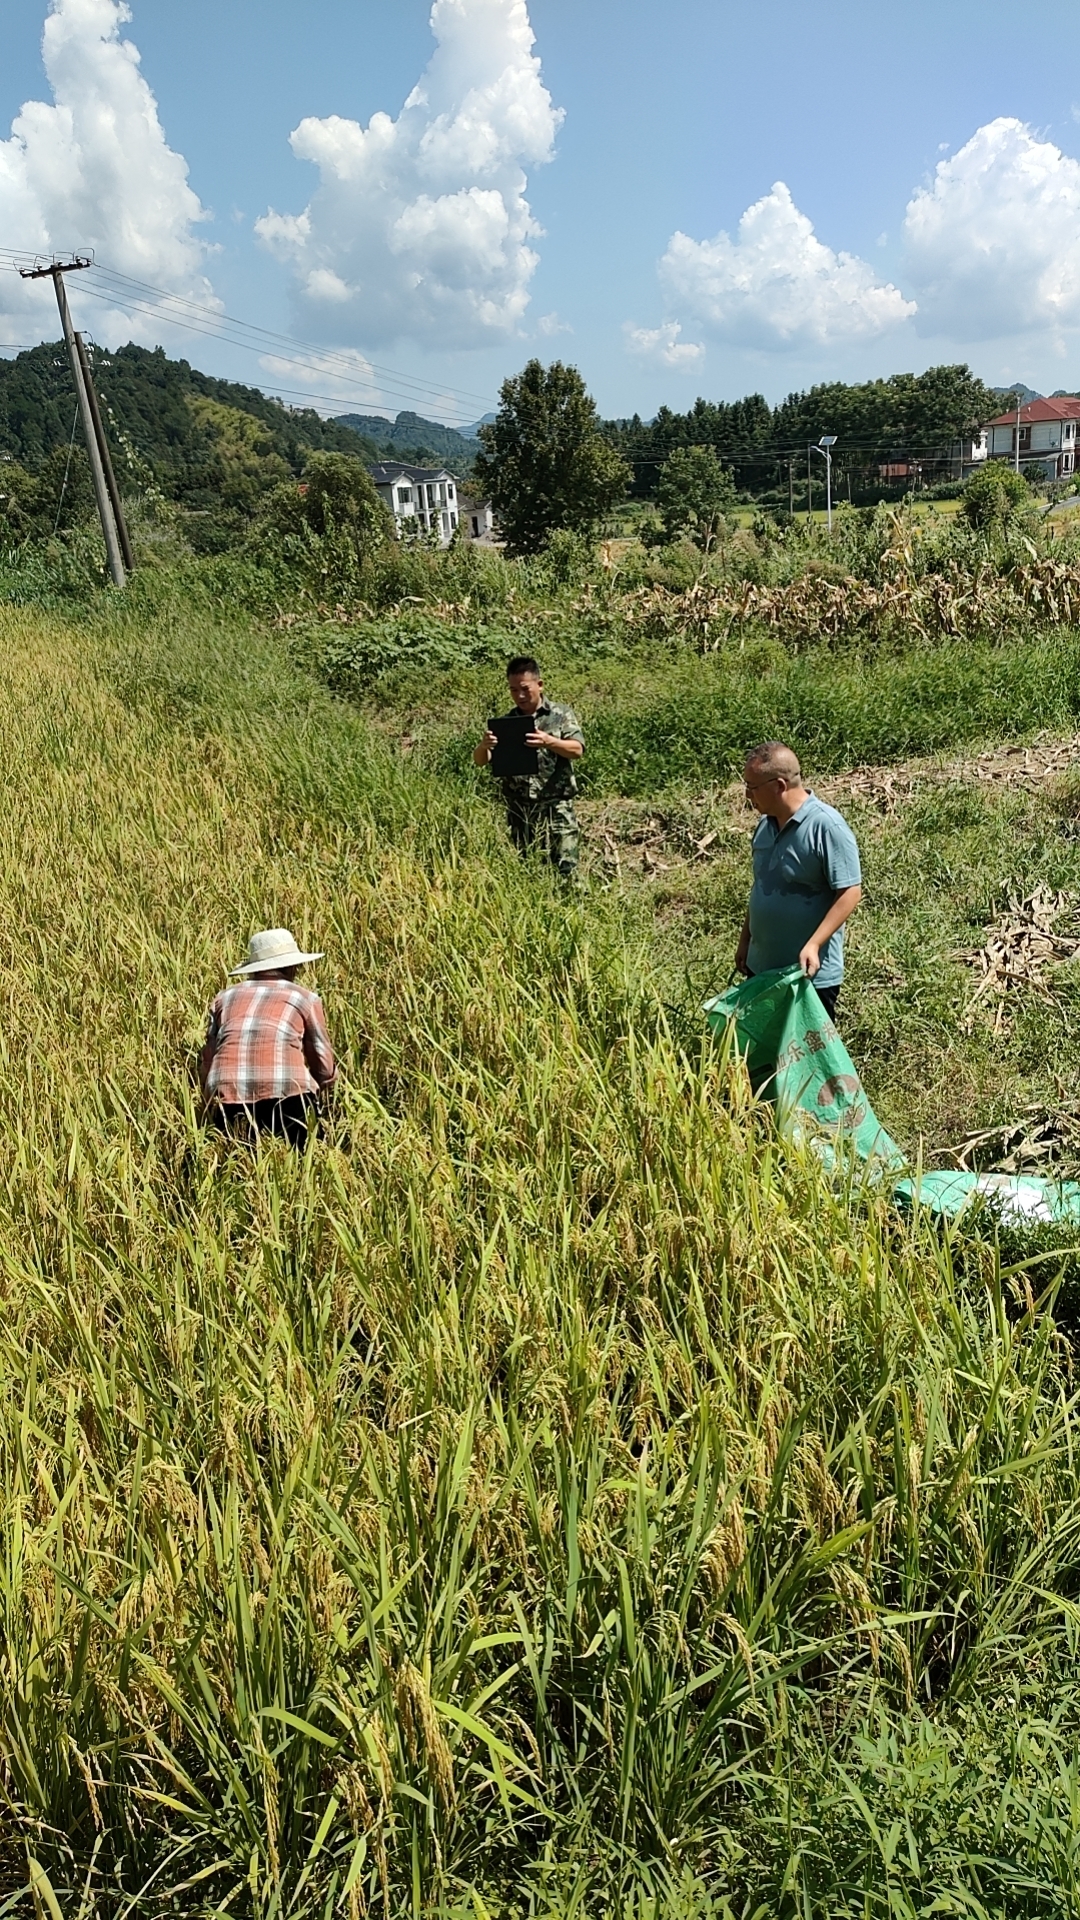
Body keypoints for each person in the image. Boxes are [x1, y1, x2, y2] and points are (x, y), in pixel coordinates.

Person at [735, 743, 862, 1022]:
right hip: (762, 970)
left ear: (779, 785)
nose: (747, 795)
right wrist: (746, 939)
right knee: (761, 1058)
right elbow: (761, 886)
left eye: (752, 786)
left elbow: (850, 891)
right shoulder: (765, 825)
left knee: (808, 1060)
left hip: (807, 975)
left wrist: (814, 944)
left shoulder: (826, 827)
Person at [199, 928, 337, 1148]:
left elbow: (209, 1056)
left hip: (226, 1095)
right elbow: (323, 1062)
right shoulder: (305, 998)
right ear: (292, 966)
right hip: (288, 1094)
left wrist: (206, 1098)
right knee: (300, 1162)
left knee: (235, 1165)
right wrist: (325, 1088)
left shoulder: (224, 998)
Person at [474, 655, 584, 878]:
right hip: (521, 809)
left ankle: (574, 908)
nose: (520, 696)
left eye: (524, 688)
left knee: (567, 868)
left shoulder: (560, 715)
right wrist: (484, 745)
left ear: (539, 685)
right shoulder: (506, 723)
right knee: (528, 869)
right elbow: (480, 760)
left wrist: (549, 741)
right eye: (513, 690)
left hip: (556, 806)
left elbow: (577, 749)